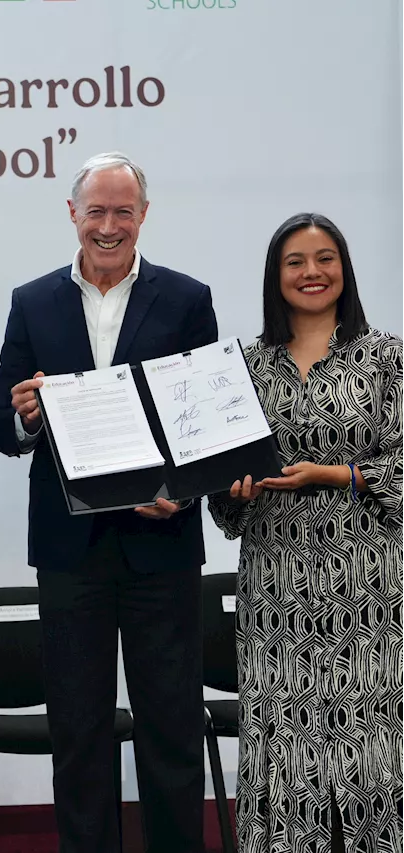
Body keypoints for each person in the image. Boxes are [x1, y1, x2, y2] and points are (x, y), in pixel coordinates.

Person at [0, 152, 217, 852]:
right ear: (73, 215)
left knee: (171, 728)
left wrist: (177, 491)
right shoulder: (33, 301)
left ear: (143, 216)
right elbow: (3, 426)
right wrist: (27, 414)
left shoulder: (186, 298)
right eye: (97, 211)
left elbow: (206, 424)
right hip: (69, 553)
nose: (109, 225)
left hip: (162, 549)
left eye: (124, 211)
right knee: (79, 731)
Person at [209, 213, 404, 853]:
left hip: (369, 587)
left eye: (325, 258)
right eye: (295, 261)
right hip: (278, 585)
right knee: (286, 744)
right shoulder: (242, 367)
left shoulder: (388, 359)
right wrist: (231, 490)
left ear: (344, 269)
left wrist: (338, 473)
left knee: (372, 744)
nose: (311, 272)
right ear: (275, 275)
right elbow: (222, 489)